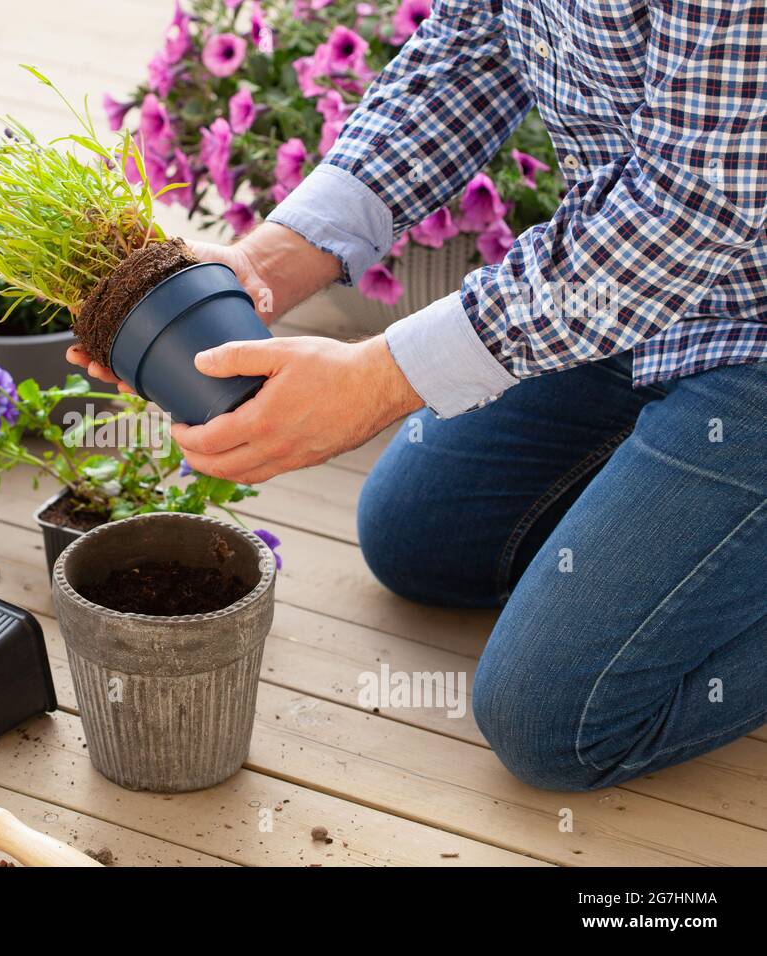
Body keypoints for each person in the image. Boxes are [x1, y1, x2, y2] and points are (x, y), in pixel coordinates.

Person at [69, 0, 767, 791]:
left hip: (732, 310)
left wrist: (380, 380)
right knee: (418, 536)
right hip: (623, 304)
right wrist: (265, 263)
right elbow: (469, 53)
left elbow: (692, 212)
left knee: (552, 719)